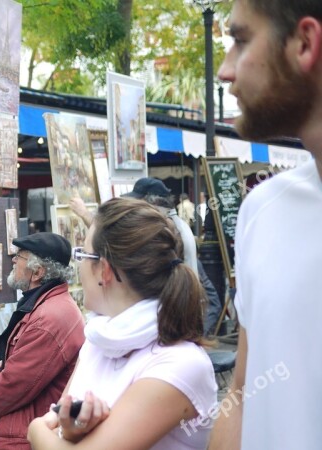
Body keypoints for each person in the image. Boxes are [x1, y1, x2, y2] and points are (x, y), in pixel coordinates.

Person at [210, 2, 322, 449]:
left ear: (305, 43)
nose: (225, 70)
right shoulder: (263, 209)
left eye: (240, 40)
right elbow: (242, 391)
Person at [27, 198, 216, 449]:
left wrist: (35, 427)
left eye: (81, 254)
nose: (78, 265)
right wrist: (72, 431)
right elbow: (62, 423)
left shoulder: (179, 364)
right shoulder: (99, 340)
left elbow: (44, 427)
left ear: (104, 270)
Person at [0, 232, 85, 450]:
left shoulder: (48, 319)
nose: (13, 260)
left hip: (24, 438)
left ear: (37, 272)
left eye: (19, 256)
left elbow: (13, 383)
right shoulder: (48, 306)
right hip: (28, 430)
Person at [122, 177, 198, 275]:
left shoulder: (165, 225)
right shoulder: (176, 223)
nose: (136, 208)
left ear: (154, 203)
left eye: (139, 202)